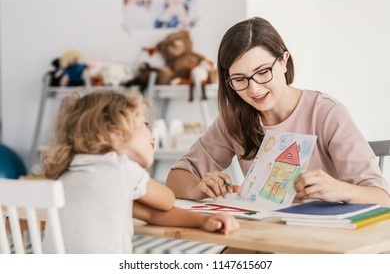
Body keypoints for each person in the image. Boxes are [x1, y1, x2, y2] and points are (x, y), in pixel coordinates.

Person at [166, 17, 390, 208]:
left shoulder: (326, 112)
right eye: (240, 79)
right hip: (266, 235)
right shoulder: (234, 119)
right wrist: (196, 188)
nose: (254, 89)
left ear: (283, 61)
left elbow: (382, 197)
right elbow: (177, 176)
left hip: (325, 238)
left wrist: (341, 190)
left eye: (263, 72)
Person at [41, 89, 239, 254]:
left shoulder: (67, 172)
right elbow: (167, 200)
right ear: (116, 134)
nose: (151, 134)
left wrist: (204, 220)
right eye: (144, 125)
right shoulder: (121, 169)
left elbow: (150, 214)